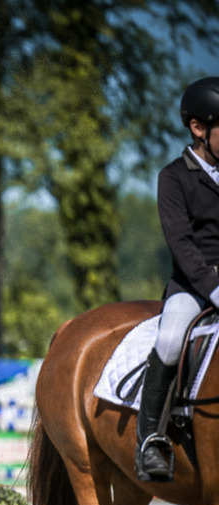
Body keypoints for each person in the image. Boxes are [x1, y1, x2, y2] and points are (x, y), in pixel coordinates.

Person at [137, 76, 219, 482]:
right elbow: (181, 244)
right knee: (170, 341)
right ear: (199, 129)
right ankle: (151, 438)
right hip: (192, 285)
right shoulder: (174, 177)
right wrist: (214, 288)